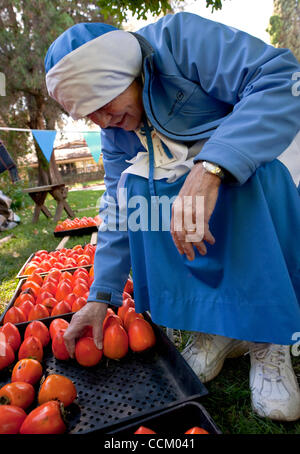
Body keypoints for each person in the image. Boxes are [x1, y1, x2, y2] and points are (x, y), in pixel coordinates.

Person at [45, 12, 300, 422]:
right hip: (190, 184)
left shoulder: (179, 40)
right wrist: (100, 297)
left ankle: (269, 343)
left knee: (248, 181)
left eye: (104, 104)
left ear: (126, 73)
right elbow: (117, 209)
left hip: (257, 161)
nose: (103, 122)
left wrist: (213, 166)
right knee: (138, 194)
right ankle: (212, 329)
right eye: (89, 115)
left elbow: (280, 77)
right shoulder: (115, 130)